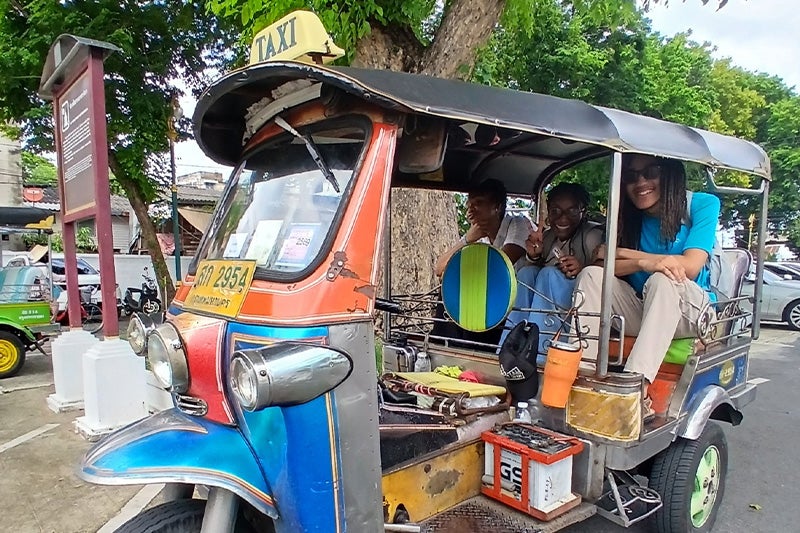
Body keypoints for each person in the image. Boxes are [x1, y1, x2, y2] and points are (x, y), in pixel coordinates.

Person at [575, 154, 720, 420]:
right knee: (590, 276)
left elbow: (690, 266)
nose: (640, 182)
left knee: (662, 279)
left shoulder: (702, 204)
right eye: (631, 176)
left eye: (650, 172)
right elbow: (602, 265)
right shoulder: (628, 217)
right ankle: (582, 377)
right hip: (647, 308)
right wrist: (642, 261)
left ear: (669, 174)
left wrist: (621, 252)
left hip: (693, 313)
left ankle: (634, 390)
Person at [499, 183, 603, 359]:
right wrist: (534, 256)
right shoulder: (548, 237)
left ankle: (538, 354)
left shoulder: (592, 235)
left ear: (582, 211)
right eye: (555, 211)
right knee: (526, 273)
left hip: (580, 309)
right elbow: (532, 278)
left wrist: (582, 268)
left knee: (549, 274)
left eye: (571, 211)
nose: (562, 218)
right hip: (549, 306)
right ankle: (509, 347)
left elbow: (602, 273)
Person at [435, 178, 531, 277]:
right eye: (469, 205)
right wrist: (466, 240)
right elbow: (440, 269)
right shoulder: (475, 235)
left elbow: (500, 266)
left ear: (498, 207)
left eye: (478, 203)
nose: (470, 210)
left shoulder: (518, 223)